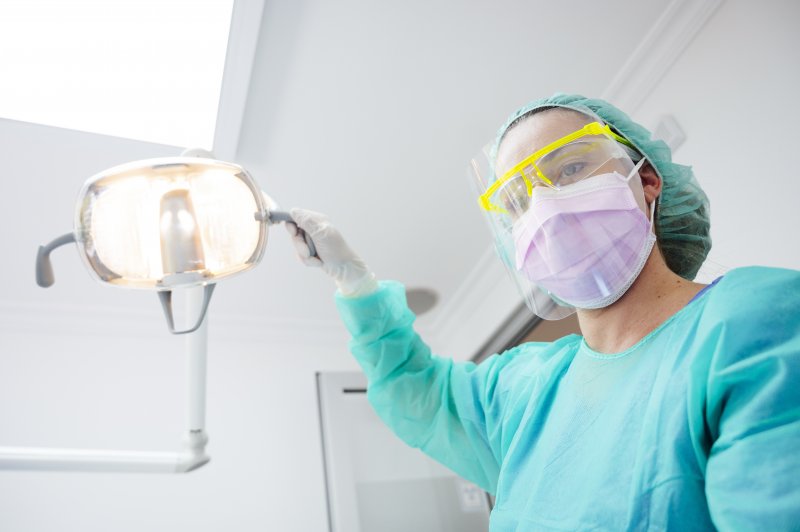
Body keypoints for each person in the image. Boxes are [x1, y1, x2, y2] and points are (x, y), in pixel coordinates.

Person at [286, 93, 800, 530]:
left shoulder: (754, 323)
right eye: (517, 201)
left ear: (645, 183)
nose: (544, 207)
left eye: (571, 168)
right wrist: (353, 280)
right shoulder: (524, 391)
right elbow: (415, 390)